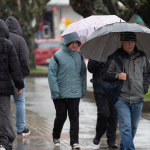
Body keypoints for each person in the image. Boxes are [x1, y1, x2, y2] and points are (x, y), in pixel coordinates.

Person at [102, 32, 150, 150]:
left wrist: (145, 88)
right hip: (121, 98)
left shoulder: (142, 56)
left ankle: (124, 147)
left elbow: (147, 73)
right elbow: (104, 74)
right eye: (127, 41)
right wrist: (117, 75)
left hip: (138, 98)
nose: (130, 44)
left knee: (133, 127)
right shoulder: (114, 57)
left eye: (132, 41)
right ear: (121, 42)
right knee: (126, 127)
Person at [48, 32, 87, 149]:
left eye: (77, 42)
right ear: (66, 42)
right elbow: (52, 75)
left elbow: (83, 75)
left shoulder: (80, 56)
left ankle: (74, 142)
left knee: (74, 117)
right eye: (73, 42)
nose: (75, 45)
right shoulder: (57, 56)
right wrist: (55, 92)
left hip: (74, 93)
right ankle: (56, 136)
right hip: (60, 94)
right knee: (61, 116)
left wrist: (82, 91)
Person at [0, 19, 24, 150]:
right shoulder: (8, 45)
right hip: (4, 89)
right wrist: (19, 85)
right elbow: (15, 68)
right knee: (5, 114)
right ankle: (6, 142)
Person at [5, 16, 30, 136]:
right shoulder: (20, 40)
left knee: (4, 103)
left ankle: (5, 129)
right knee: (19, 101)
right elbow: (24, 59)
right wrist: (25, 73)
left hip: (3, 76)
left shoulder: (2, 38)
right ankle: (20, 128)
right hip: (18, 76)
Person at [88, 60, 118, 148]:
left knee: (113, 116)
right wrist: (98, 61)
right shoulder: (97, 53)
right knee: (104, 113)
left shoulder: (118, 53)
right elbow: (90, 68)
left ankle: (111, 140)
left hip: (114, 89)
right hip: (100, 89)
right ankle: (99, 133)